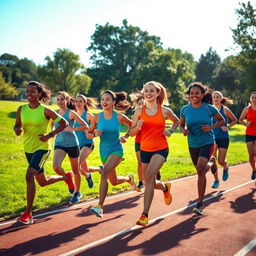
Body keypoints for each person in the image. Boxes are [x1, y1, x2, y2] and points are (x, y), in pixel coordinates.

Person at [14, 81, 69, 225]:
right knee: (42, 182)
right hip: (28, 148)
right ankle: (65, 177)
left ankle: (28, 213)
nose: (29, 94)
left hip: (43, 148)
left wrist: (49, 135)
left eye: (33, 91)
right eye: (28, 91)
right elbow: (17, 125)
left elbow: (64, 123)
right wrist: (17, 130)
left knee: (29, 175)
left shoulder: (45, 111)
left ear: (39, 94)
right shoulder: (21, 109)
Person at [129, 81, 180, 226]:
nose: (148, 93)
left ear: (158, 93)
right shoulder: (138, 111)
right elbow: (131, 132)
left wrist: (170, 131)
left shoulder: (164, 110)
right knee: (147, 181)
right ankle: (165, 187)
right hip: (145, 149)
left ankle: (144, 215)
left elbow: (176, 121)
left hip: (161, 148)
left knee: (149, 175)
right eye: (146, 91)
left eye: (152, 91)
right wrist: (137, 128)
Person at [88, 90, 136, 218]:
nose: (104, 102)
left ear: (114, 102)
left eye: (107, 99)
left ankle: (100, 207)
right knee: (113, 181)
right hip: (103, 152)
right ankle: (129, 179)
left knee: (104, 173)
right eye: (102, 99)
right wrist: (94, 134)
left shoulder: (119, 117)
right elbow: (88, 133)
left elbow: (133, 126)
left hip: (116, 150)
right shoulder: (97, 117)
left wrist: (126, 136)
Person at [179, 82, 225, 215]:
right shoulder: (185, 109)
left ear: (202, 94)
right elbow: (181, 125)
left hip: (207, 142)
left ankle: (200, 204)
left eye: (197, 93)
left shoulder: (209, 108)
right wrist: (184, 131)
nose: (194, 95)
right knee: (200, 171)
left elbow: (221, 120)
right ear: (189, 95)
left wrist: (210, 128)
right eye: (191, 93)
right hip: (193, 143)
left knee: (200, 168)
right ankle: (212, 162)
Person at [52, 91, 89, 204]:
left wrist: (72, 129)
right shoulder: (55, 114)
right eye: (58, 99)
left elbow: (85, 125)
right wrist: (51, 133)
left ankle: (77, 192)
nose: (60, 102)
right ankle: (67, 177)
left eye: (62, 99)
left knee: (75, 170)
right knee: (56, 167)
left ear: (67, 100)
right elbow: (52, 127)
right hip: (59, 144)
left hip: (72, 144)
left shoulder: (71, 113)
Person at [211, 91, 237, 188]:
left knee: (220, 161)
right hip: (212, 138)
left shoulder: (225, 109)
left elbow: (235, 120)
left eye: (218, 97)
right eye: (214, 97)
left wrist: (228, 127)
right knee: (213, 161)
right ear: (212, 99)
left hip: (223, 138)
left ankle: (225, 167)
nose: (216, 98)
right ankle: (216, 180)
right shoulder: (209, 109)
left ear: (221, 98)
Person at [74, 94, 100, 189]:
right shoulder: (74, 115)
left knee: (76, 166)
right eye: (76, 101)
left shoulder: (88, 115)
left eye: (80, 101)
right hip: (76, 145)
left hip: (87, 143)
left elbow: (98, 127)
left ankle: (76, 191)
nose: (78, 103)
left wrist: (89, 130)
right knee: (84, 169)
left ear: (85, 103)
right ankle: (90, 174)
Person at [239, 91, 256, 180]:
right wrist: (246, 124)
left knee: (255, 152)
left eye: (255, 98)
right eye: (252, 97)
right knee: (251, 155)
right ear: (250, 99)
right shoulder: (246, 109)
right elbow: (240, 120)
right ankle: (254, 170)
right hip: (249, 133)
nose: (254, 99)